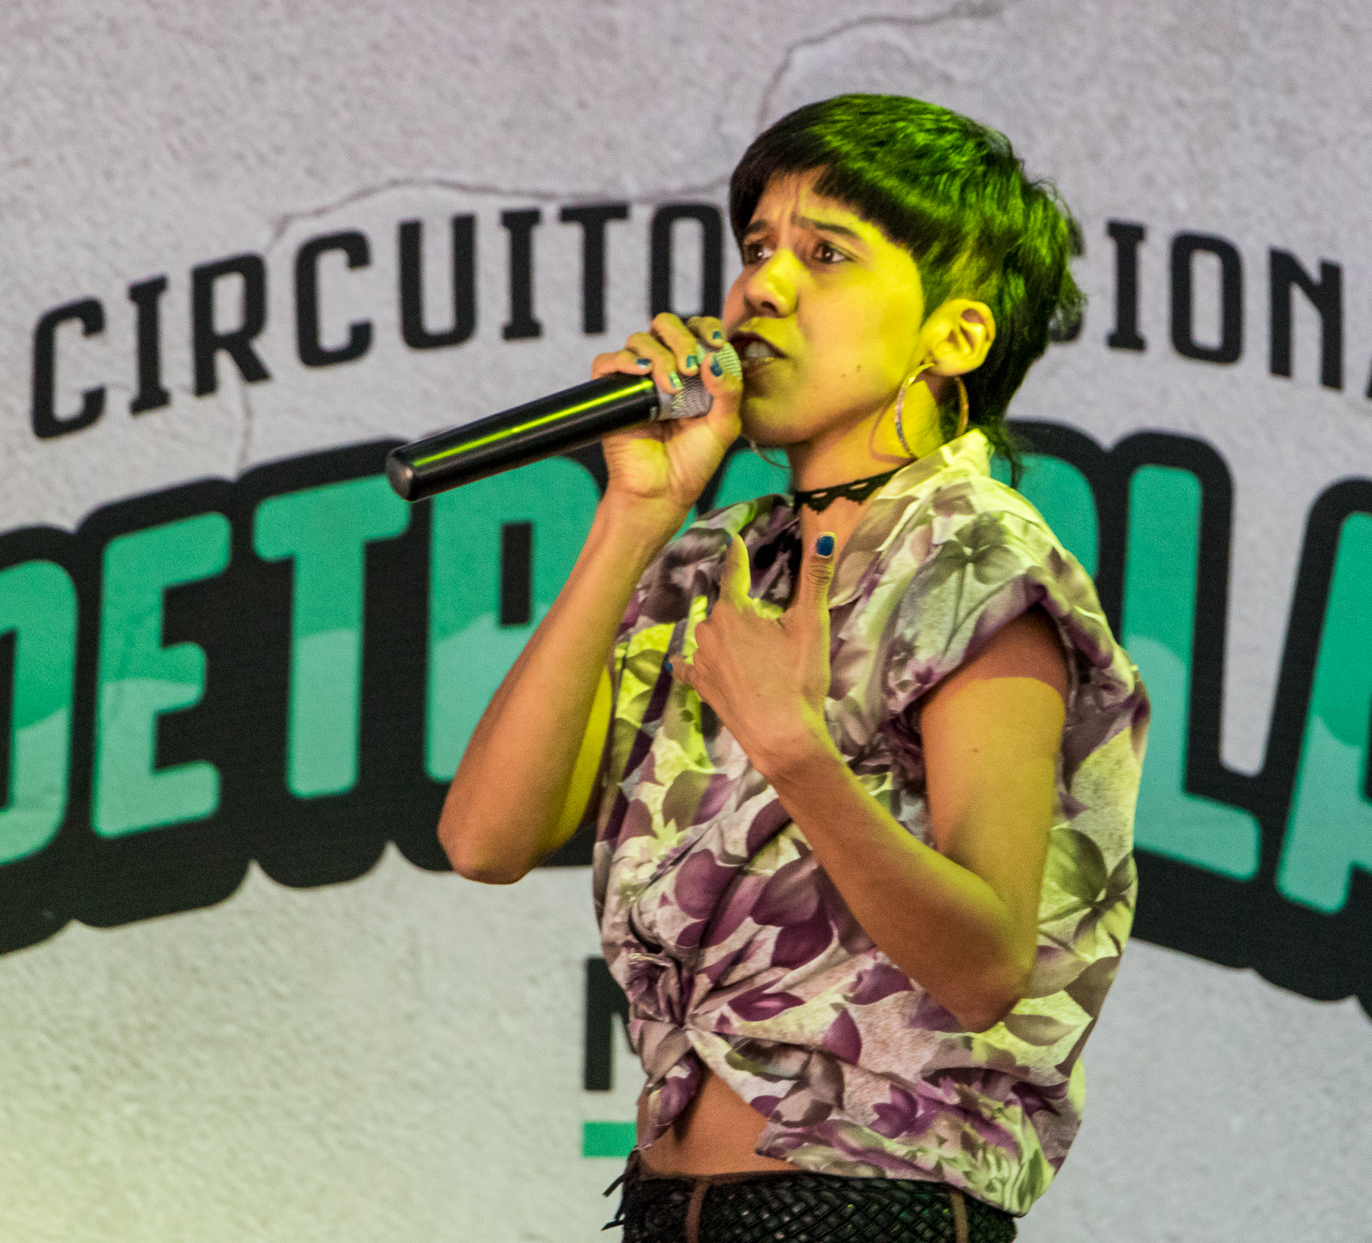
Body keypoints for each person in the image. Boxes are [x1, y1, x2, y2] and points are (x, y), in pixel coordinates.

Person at [436, 94, 1146, 1243]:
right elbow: (483, 839)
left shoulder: (975, 556)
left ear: (954, 337)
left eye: (824, 255)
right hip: (669, 1208)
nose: (762, 286)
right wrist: (635, 514)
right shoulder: (715, 561)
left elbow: (984, 962)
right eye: (756, 247)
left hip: (859, 1211)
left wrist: (791, 746)